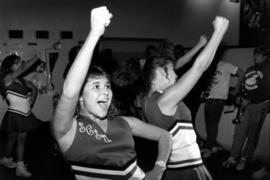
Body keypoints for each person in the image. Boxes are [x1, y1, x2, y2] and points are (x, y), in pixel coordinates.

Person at [53, 6, 172, 180]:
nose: (106, 92)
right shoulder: (69, 131)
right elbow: (69, 93)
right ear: (80, 96)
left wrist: (159, 168)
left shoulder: (125, 123)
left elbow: (165, 135)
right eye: (96, 86)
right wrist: (94, 34)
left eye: (107, 85)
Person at [141, 16, 229, 180]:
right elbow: (199, 68)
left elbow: (198, 66)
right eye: (172, 70)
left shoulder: (149, 99)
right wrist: (219, 32)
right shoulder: (164, 100)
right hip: (187, 170)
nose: (176, 74)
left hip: (180, 167)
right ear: (161, 73)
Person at [223, 45, 270, 171]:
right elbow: (243, 86)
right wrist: (238, 97)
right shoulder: (250, 69)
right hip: (245, 106)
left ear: (265, 56)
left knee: (252, 134)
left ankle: (244, 159)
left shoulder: (268, 69)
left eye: (258, 54)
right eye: (255, 53)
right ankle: (232, 157)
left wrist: (250, 100)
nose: (255, 56)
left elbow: (267, 91)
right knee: (239, 133)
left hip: (259, 106)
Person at [0, 54, 42, 177]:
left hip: (25, 113)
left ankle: (20, 166)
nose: (19, 64)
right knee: (12, 139)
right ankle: (5, 158)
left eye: (19, 62)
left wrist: (31, 101)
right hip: (15, 114)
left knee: (21, 139)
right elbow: (23, 68)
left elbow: (34, 88)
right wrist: (35, 58)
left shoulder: (21, 80)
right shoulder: (7, 79)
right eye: (16, 63)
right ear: (10, 66)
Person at [202, 57, 244, 158]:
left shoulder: (225, 65)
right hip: (209, 98)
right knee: (210, 123)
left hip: (218, 99)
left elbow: (242, 73)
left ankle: (209, 147)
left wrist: (236, 90)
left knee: (211, 123)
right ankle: (213, 145)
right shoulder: (209, 65)